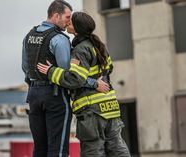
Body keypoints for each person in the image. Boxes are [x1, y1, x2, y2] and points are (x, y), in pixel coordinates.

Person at [37, 12, 131, 157]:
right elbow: (109, 68)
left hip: (92, 112)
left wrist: (51, 72)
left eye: (71, 22)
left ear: (77, 29)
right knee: (117, 148)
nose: (68, 24)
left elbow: (75, 79)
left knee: (93, 151)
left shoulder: (81, 50)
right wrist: (94, 80)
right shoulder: (99, 46)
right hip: (110, 107)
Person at [22, 1, 108, 157]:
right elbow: (70, 76)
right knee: (58, 149)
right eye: (67, 17)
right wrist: (93, 83)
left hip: (33, 95)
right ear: (56, 16)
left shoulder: (29, 36)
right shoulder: (60, 39)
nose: (69, 21)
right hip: (55, 96)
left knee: (39, 149)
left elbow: (25, 68)